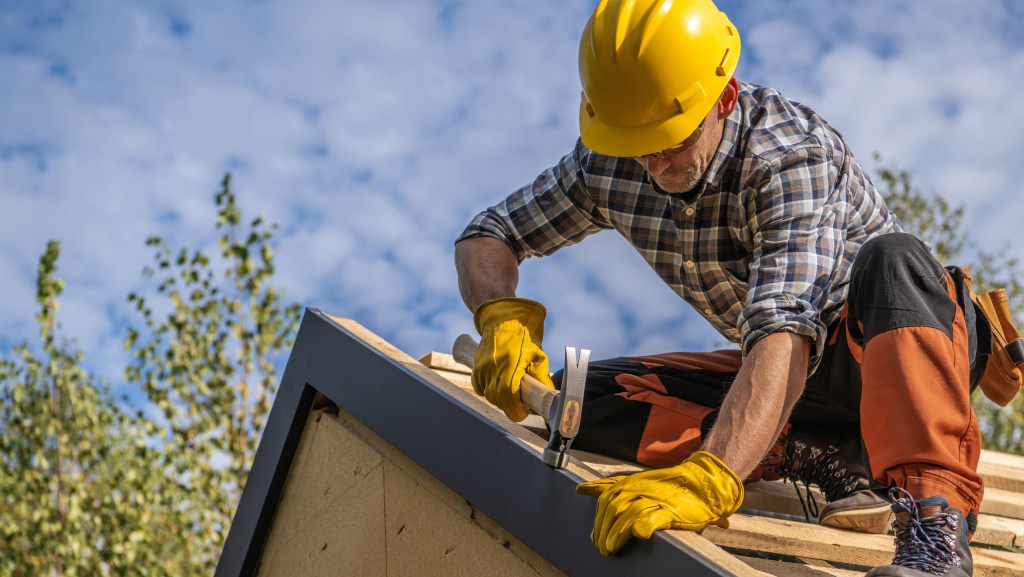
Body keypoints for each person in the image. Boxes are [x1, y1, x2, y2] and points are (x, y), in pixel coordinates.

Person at [454, 1, 986, 575]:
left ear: (724, 99)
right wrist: (500, 316)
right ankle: (823, 452)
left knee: (895, 259)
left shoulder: (787, 156)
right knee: (584, 399)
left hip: (894, 351)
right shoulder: (610, 159)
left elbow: (786, 328)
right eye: (636, 143)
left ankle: (934, 527)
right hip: (792, 377)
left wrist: (716, 475)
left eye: (671, 142)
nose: (653, 165)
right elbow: (490, 234)